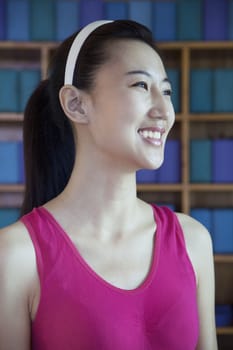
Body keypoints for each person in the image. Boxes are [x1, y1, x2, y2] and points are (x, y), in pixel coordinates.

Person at [0, 20, 218, 350]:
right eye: (141, 87)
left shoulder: (193, 241)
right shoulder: (16, 255)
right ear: (76, 104)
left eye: (167, 91)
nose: (164, 110)